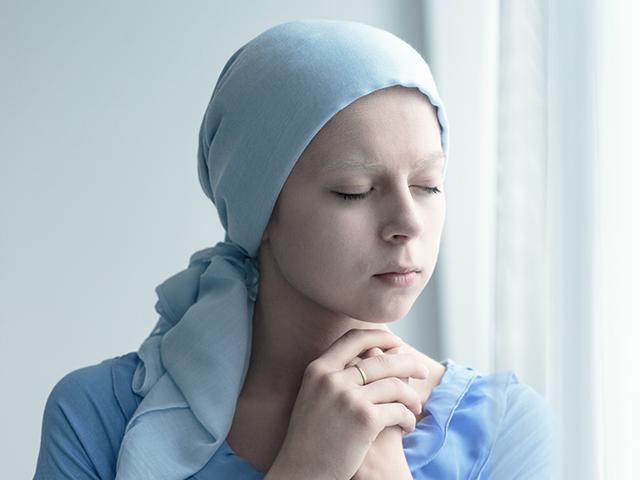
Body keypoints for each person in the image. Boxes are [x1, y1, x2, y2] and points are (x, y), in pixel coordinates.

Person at [33, 19, 558, 480]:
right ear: (259, 210)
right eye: (354, 190)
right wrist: (309, 468)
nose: (407, 222)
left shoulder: (503, 426)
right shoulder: (99, 415)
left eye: (428, 185)